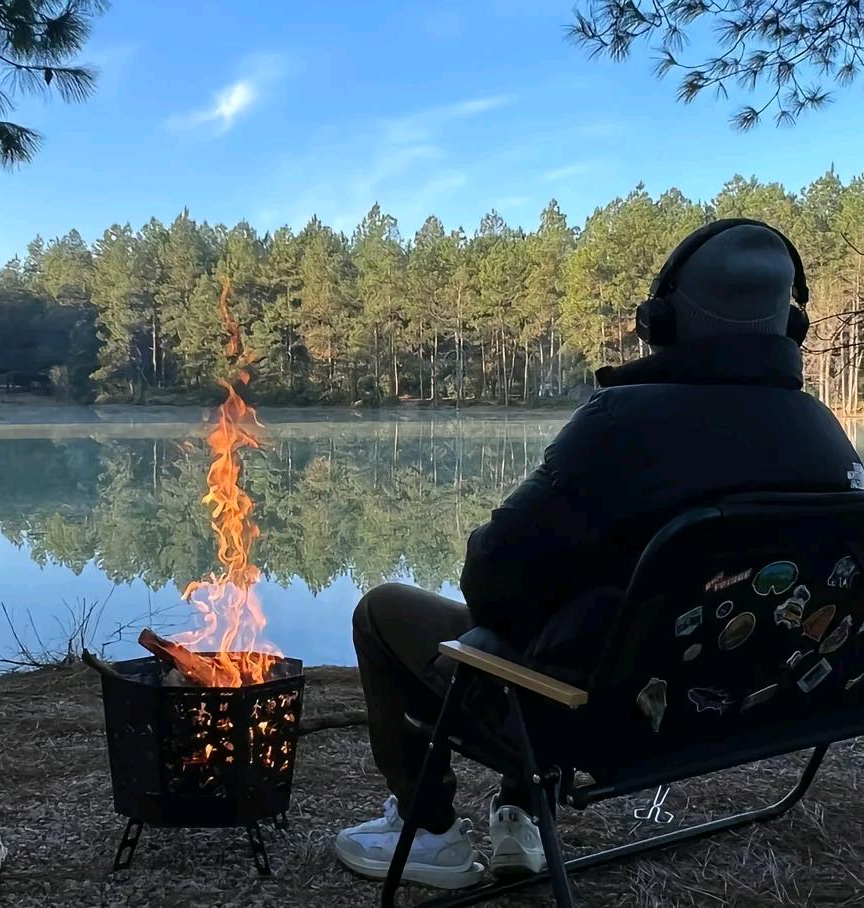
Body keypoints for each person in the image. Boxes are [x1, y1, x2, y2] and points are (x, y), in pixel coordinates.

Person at [335, 220, 863, 889]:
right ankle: (521, 818)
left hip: (603, 722)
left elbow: (490, 580)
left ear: (661, 321)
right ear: (790, 328)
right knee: (577, 606)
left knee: (384, 610)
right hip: (769, 702)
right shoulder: (826, 432)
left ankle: (430, 830)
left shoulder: (619, 426)